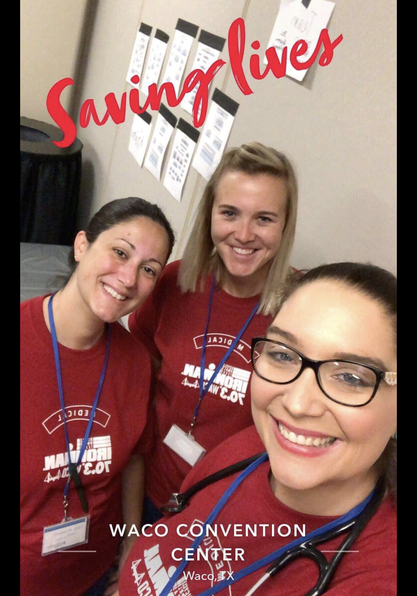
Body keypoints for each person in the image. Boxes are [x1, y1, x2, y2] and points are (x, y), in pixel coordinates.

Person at [116, 261, 397, 596]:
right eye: (283, 355)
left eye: (350, 377)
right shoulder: (245, 448)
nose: (297, 405)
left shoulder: (376, 577)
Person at [128, 142, 299, 518]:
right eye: (230, 213)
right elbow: (141, 368)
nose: (244, 234)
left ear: (285, 226)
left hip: (228, 508)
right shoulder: (173, 281)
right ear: (210, 215)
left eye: (264, 219)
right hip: (149, 489)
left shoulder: (302, 308)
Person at [20, 197, 175, 596]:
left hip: (95, 573)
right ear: (82, 245)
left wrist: (130, 543)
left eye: (148, 269)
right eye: (120, 252)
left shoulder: (136, 362)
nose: (128, 278)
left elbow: (134, 458)